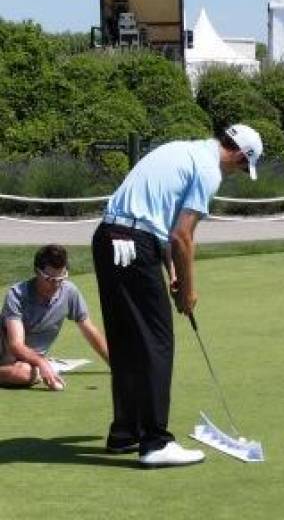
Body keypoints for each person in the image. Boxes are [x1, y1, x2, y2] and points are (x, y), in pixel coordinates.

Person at [91, 124, 263, 467]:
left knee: (126, 340)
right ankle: (155, 442)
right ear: (241, 155)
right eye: (243, 167)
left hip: (108, 237)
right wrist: (187, 290)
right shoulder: (208, 170)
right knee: (157, 342)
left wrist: (172, 273)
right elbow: (183, 236)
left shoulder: (183, 149)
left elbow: (166, 231)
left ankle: (126, 432)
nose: (237, 172)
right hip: (134, 245)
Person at [0, 244, 109, 391]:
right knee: (24, 372)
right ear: (37, 272)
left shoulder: (69, 292)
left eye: (61, 278)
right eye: (50, 279)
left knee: (25, 374)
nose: (56, 284)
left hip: (25, 363)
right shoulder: (17, 294)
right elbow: (16, 345)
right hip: (6, 354)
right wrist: (42, 362)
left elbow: (89, 329)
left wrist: (115, 364)